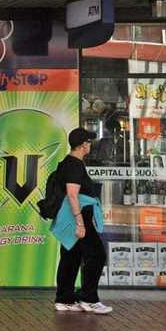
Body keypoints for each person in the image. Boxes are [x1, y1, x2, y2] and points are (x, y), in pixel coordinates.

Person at [53, 128, 112, 314]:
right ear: (82, 145)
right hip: (77, 216)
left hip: (73, 216)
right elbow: (72, 194)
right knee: (97, 255)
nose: (90, 144)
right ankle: (88, 298)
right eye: (88, 141)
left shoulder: (70, 163)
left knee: (71, 256)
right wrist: (80, 222)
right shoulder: (74, 165)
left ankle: (65, 299)